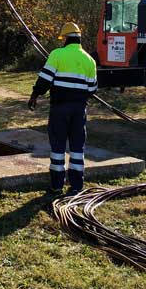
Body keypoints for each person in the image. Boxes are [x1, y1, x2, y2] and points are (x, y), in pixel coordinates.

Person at [28, 22, 97, 194]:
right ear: (79, 38)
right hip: (79, 110)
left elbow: (44, 79)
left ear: (65, 38)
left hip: (60, 108)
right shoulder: (90, 60)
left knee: (58, 147)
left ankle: (57, 185)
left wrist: (35, 95)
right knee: (77, 147)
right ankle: (76, 186)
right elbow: (92, 89)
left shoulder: (57, 54)